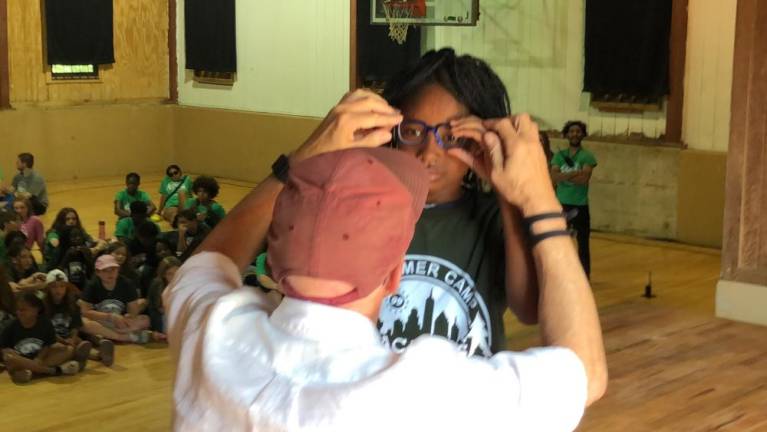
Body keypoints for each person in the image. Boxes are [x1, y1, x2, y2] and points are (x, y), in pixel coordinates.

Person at [165, 112, 607, 430]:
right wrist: (541, 202)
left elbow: (209, 261)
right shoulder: (421, 393)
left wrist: (300, 162)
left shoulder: (212, 331)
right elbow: (585, 373)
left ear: (272, 262)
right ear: (396, 274)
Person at [375, 48, 538, 356]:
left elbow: (528, 308)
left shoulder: (496, 216)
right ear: (392, 132)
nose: (429, 152)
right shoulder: (366, 212)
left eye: (450, 136)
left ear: (480, 140)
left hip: (467, 401)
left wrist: (503, 188)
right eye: (413, 131)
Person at [2, 292, 90, 384]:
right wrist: (11, 354)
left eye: (23, 310)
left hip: (39, 359)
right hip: (20, 361)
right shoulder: (10, 326)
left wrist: (39, 358)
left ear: (36, 310)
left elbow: (47, 345)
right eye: (18, 310)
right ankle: (56, 370)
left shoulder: (45, 323)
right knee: (10, 358)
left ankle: (32, 372)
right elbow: (5, 349)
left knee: (68, 350)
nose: (19, 313)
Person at [551, 120, 598, 278]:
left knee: (583, 243)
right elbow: (554, 177)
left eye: (578, 131)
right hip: (561, 205)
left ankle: (584, 276)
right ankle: (557, 274)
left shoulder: (587, 156)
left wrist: (564, 176)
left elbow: (584, 179)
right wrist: (573, 174)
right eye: (572, 131)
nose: (575, 134)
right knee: (557, 242)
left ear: (583, 134)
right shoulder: (559, 155)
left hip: (580, 206)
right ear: (566, 134)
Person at [146, 256, 179, 337]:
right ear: (163, 274)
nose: (174, 277)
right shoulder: (157, 285)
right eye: (170, 274)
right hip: (163, 319)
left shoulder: (186, 284)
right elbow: (157, 309)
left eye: (177, 273)